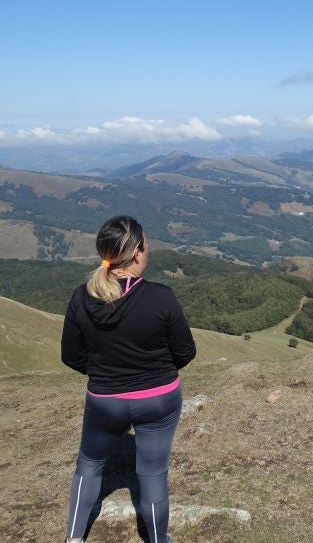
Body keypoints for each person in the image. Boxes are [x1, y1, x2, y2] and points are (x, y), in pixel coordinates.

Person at [61, 215, 196, 543]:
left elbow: (72, 356)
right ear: (137, 253)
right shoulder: (161, 297)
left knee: (89, 464)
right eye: (146, 245)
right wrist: (157, 372)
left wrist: (106, 375)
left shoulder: (81, 298)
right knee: (152, 474)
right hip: (159, 398)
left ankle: (74, 539)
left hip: (105, 400)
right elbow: (185, 352)